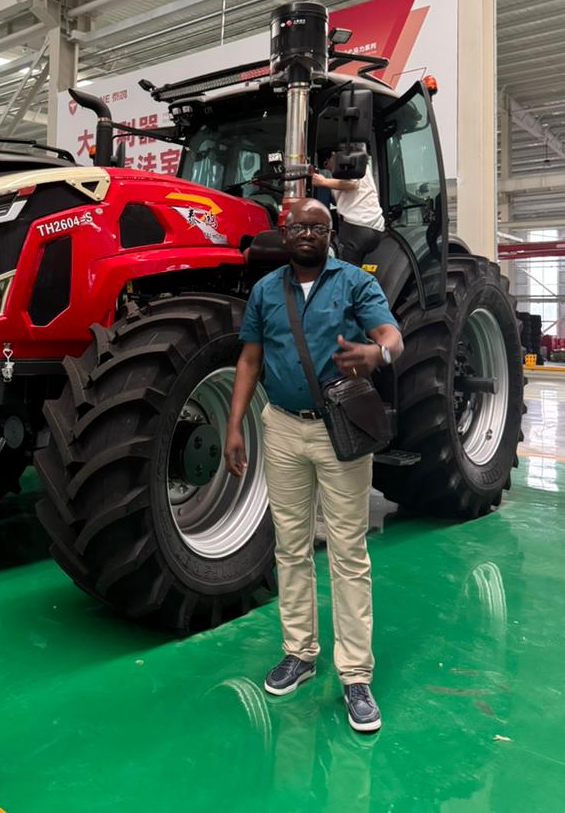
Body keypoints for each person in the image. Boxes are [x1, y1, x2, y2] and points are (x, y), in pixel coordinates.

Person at [224, 198, 403, 733]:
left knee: (348, 550)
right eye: (298, 226)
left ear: (332, 234)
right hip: (280, 427)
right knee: (290, 546)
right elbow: (250, 359)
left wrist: (379, 355)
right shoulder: (264, 290)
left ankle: (355, 676)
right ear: (284, 232)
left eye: (318, 227)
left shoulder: (354, 283)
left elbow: (390, 334)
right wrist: (235, 425)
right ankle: (298, 652)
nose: (307, 233)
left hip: (338, 432)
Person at [310, 151, 385, 266]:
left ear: (334, 155)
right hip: (376, 227)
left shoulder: (347, 161)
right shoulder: (360, 164)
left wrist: (323, 181)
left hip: (357, 226)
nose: (328, 169)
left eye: (326, 163)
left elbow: (353, 184)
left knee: (346, 272)